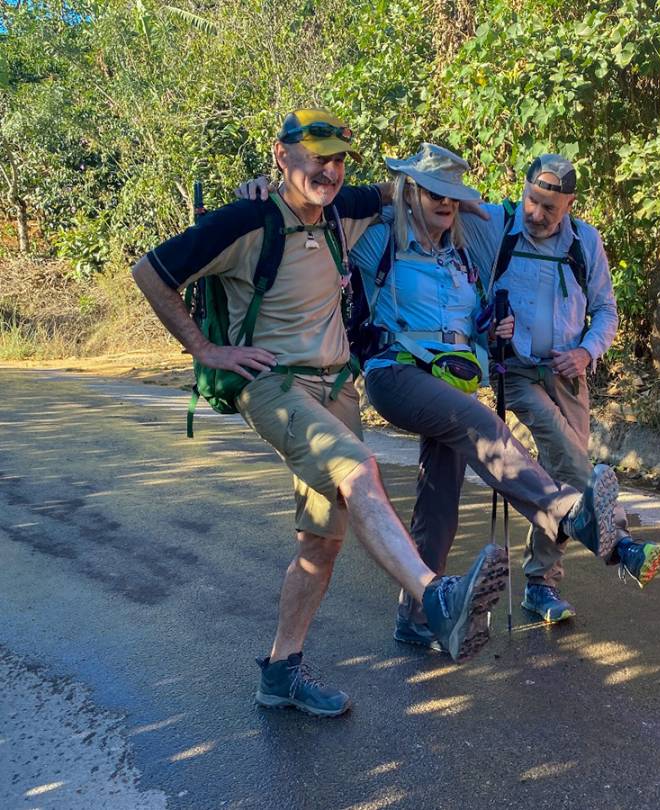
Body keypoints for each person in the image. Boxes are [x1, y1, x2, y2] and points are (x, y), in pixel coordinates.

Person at [131, 110, 519, 718]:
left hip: (337, 387)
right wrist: (206, 350)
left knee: (321, 544)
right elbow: (150, 272)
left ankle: (281, 672)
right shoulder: (246, 220)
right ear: (281, 156)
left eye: (338, 158)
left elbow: (403, 188)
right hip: (274, 386)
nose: (330, 170)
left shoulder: (344, 210)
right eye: (316, 157)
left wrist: (457, 197)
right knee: (359, 469)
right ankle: (436, 600)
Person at [346, 144, 626, 649]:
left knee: (439, 504)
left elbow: (478, 319)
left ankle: (416, 614)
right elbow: (319, 211)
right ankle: (567, 512)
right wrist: (266, 192)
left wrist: (492, 331)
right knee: (480, 424)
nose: (446, 202)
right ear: (410, 190)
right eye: (433, 191)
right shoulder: (377, 238)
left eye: (454, 194)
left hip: (457, 381)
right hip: (397, 374)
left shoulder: (463, 253)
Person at [456, 154, 660, 624]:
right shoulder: (495, 223)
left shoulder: (586, 243)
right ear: (523, 189)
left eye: (550, 207)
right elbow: (437, 211)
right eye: (532, 200)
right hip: (518, 372)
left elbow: (606, 312)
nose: (536, 213)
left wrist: (587, 352)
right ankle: (622, 544)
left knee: (563, 478)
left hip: (569, 374)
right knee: (569, 456)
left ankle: (540, 585)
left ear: (569, 204)